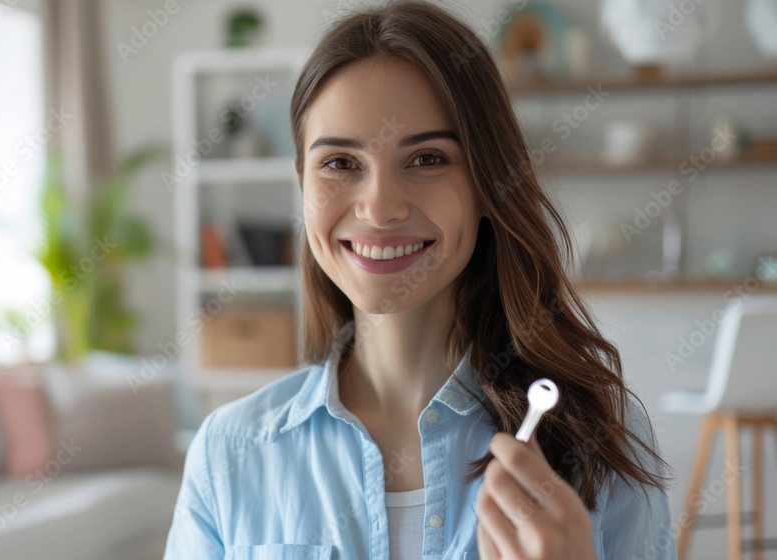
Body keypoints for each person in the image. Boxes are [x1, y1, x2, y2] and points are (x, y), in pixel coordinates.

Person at [163, 1, 677, 558]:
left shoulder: (600, 437)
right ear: (302, 185)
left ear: (487, 183)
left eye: (428, 158)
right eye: (339, 163)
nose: (379, 208)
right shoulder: (229, 454)